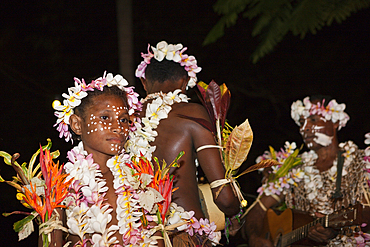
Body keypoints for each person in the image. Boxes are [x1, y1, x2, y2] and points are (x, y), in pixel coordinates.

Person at [130, 41, 241, 246]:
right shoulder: (192, 114)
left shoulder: (123, 119)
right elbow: (224, 197)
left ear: (144, 83)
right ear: (185, 82)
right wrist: (235, 213)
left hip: (138, 237)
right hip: (186, 236)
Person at [242, 95, 370, 247]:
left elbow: (365, 216)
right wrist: (255, 237)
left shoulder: (362, 162)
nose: (304, 128)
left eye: (313, 120)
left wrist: (335, 233)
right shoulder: (294, 169)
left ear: (335, 122)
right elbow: (257, 211)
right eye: (302, 122)